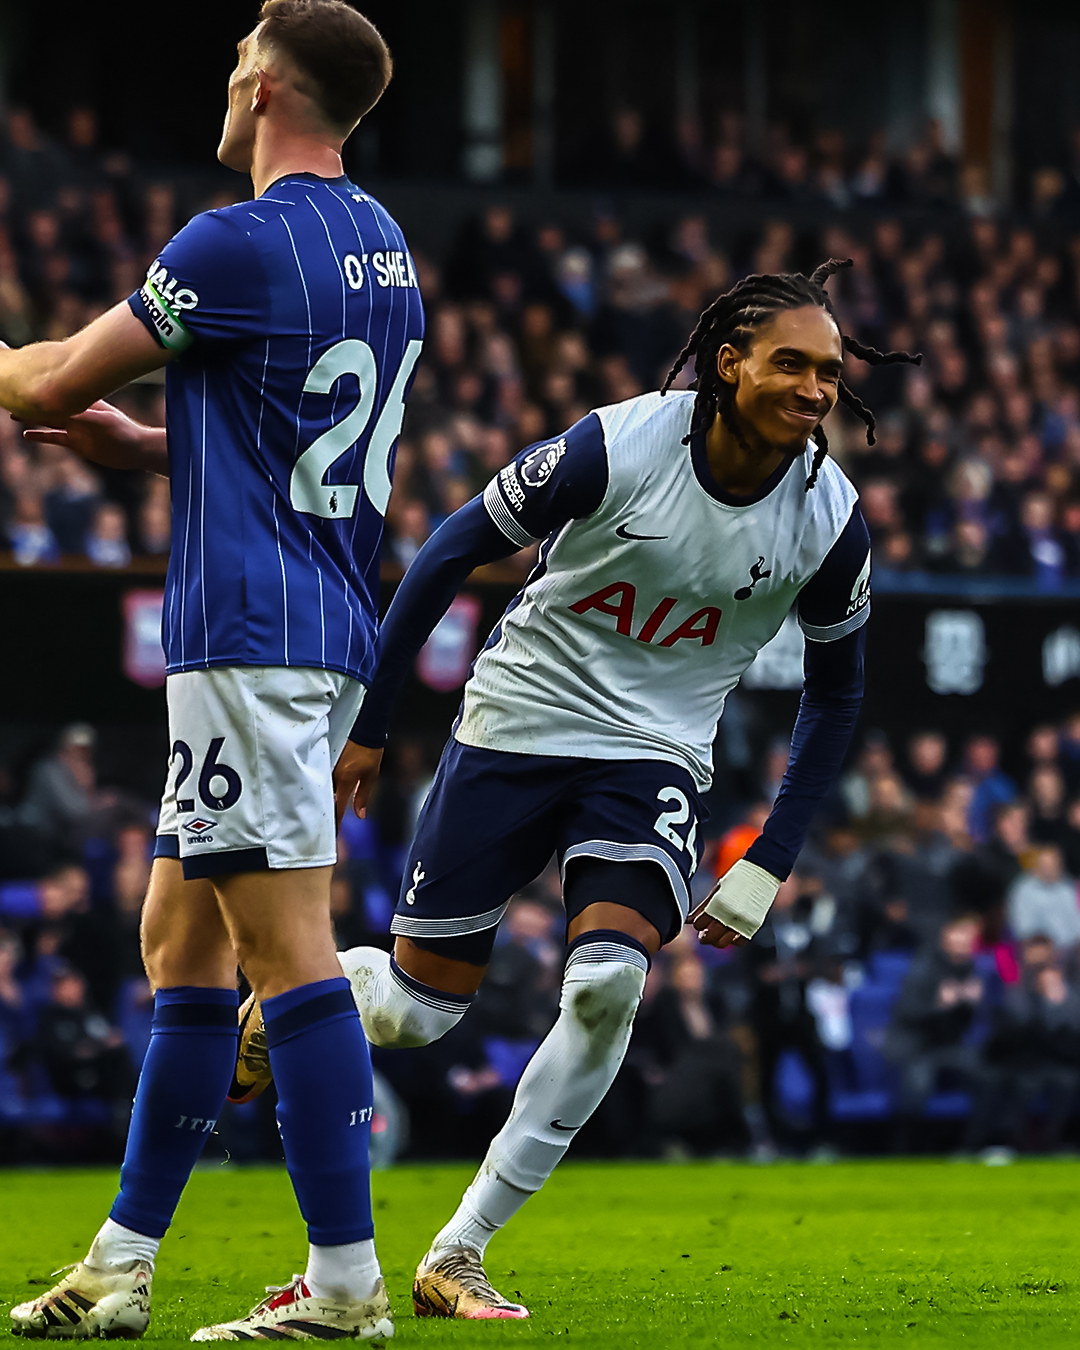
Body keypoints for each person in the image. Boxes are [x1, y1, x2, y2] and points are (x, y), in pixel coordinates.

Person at [236, 258, 918, 1316]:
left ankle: (457, 1253)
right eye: (793, 363)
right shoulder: (621, 444)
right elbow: (451, 549)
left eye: (830, 372)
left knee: (607, 987)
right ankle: (295, 1006)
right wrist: (372, 723)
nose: (817, 389)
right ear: (728, 363)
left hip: (652, 753)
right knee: (416, 1018)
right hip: (515, 724)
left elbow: (837, 696)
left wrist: (769, 861)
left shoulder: (828, 517)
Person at [5, 2, 420, 1341]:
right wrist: (143, 445)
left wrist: (34, 380)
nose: (226, 76)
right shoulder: (382, 246)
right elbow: (282, 435)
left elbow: (46, 378)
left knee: (284, 953)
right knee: (178, 937)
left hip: (250, 636)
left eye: (238, 59)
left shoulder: (231, 243)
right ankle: (122, 1263)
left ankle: (347, 1286)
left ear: (262, 86)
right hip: (306, 626)